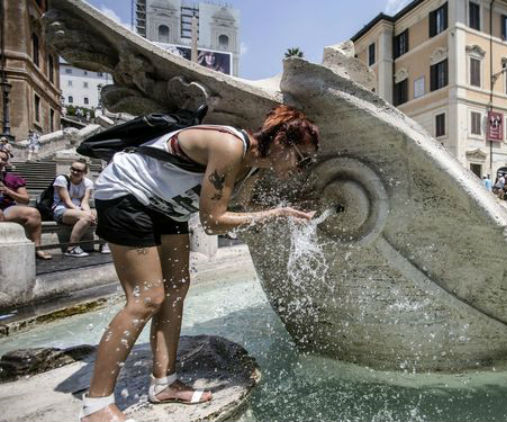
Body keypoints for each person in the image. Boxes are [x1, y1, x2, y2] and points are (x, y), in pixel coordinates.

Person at [79, 105, 319, 422]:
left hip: (167, 208)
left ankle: (163, 383)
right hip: (128, 193)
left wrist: (292, 209)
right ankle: (96, 404)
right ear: (280, 143)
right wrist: (277, 214)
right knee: (147, 298)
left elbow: (244, 207)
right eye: (301, 158)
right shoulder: (231, 146)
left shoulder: (252, 164)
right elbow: (213, 221)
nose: (301, 169)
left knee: (177, 287)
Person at [0, 150, 52, 259]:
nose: (0, 161)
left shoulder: (12, 179)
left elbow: (25, 200)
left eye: (4, 159)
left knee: (33, 213)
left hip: (7, 209)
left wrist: (8, 191)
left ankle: (37, 248)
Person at [53, 159, 96, 257]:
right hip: (61, 210)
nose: (75, 172)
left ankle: (104, 244)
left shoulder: (88, 183)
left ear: (85, 172)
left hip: (78, 210)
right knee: (86, 217)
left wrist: (88, 212)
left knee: (100, 214)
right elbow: (67, 201)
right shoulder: (61, 179)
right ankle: (71, 248)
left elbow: (84, 202)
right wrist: (86, 214)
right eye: (73, 169)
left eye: (79, 171)